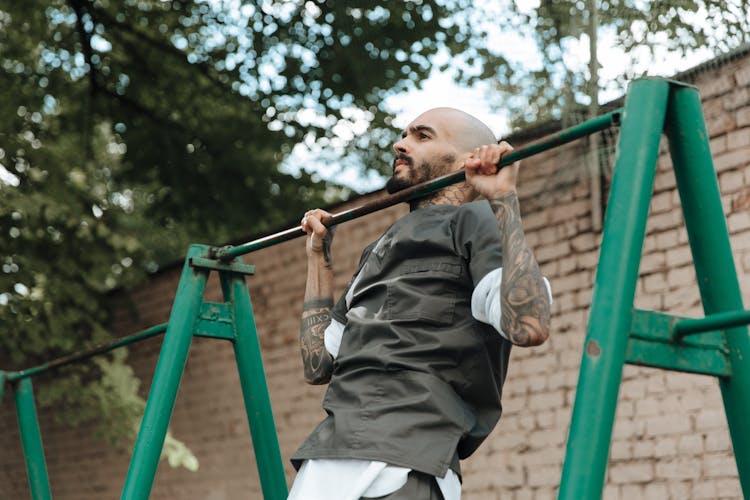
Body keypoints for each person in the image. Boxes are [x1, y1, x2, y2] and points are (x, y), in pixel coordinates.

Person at [288, 108, 552, 500]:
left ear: (468, 157)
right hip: (326, 461)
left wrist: (502, 200)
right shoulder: (377, 248)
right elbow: (318, 366)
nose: (400, 143)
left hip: (404, 461)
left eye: (421, 135)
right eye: (403, 134)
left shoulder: (474, 221)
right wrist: (318, 259)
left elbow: (528, 324)